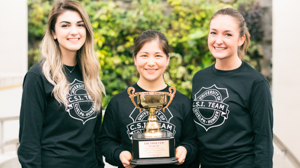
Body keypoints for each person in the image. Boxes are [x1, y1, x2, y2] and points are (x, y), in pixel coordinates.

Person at [17, 0, 105, 168]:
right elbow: (29, 141)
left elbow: (95, 136)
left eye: (80, 25)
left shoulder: (90, 73)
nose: (74, 31)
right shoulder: (38, 76)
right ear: (54, 33)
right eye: (65, 25)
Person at [99, 30, 198, 168]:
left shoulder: (182, 102)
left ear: (167, 59)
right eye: (144, 55)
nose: (151, 63)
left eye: (158, 56)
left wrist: (185, 150)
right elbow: (106, 141)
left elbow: (193, 140)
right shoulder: (118, 102)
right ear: (135, 59)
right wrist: (119, 154)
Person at [191, 8, 273, 168]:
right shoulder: (199, 78)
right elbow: (196, 133)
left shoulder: (255, 82)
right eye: (213, 33)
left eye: (227, 34)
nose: (218, 40)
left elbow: (264, 139)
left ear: (241, 39)